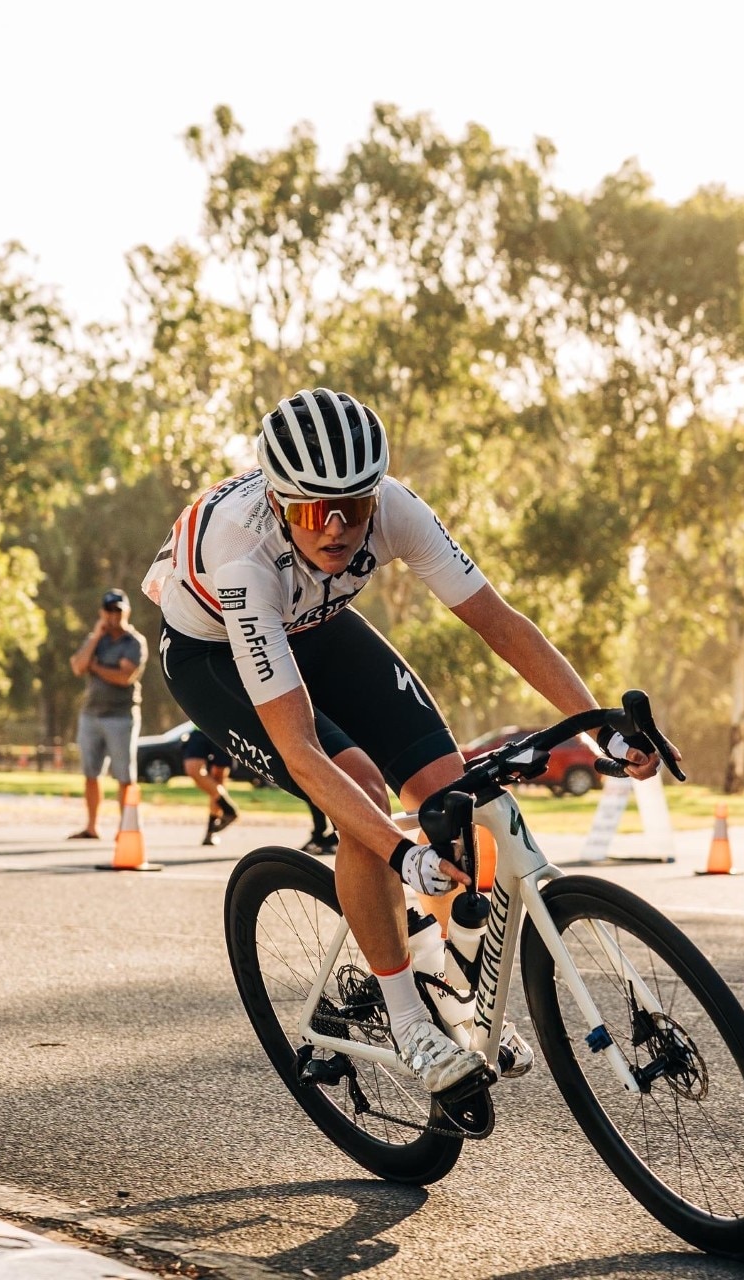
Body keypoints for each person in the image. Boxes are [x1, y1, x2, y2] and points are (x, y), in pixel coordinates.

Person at [142, 388, 676, 1093]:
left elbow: (501, 624)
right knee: (358, 789)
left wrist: (597, 720)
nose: (335, 528)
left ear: (375, 496)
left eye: (353, 507)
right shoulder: (244, 556)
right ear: (278, 505)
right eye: (310, 510)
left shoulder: (398, 508)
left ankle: (452, 980)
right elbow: (302, 750)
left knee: (449, 788)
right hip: (215, 650)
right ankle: (409, 1021)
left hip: (318, 619)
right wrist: (398, 851)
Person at [68, 589, 148, 839]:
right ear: (102, 613)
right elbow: (78, 667)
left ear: (127, 612)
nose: (114, 615)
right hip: (91, 714)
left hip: (121, 717)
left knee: (125, 776)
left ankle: (125, 829)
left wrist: (96, 666)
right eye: (109, 610)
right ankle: (92, 827)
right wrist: (94, 638)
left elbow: (124, 677)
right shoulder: (96, 639)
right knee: (91, 774)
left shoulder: (134, 642)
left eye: (118, 610)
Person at [182, 727, 239, 845]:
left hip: (226, 727)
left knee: (218, 777)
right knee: (193, 769)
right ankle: (229, 809)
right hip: (200, 726)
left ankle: (211, 832)